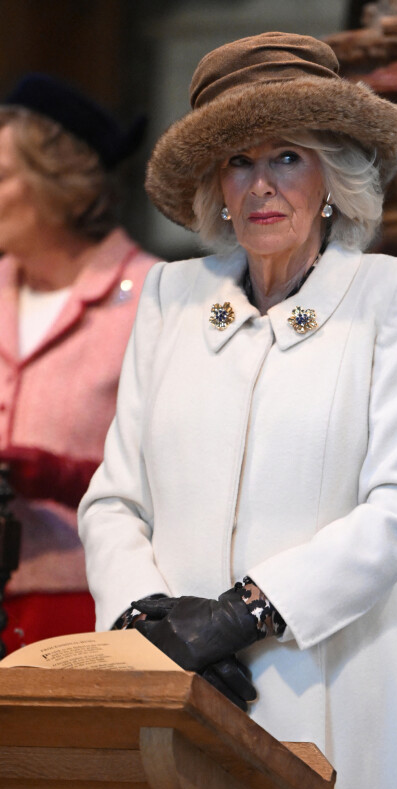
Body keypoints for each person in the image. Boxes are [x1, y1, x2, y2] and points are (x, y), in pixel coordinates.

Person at [79, 33, 397, 789]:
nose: (261, 185)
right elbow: (115, 501)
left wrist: (240, 614)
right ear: (217, 185)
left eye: (287, 156)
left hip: (331, 680)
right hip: (173, 684)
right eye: (239, 161)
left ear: (332, 177)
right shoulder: (169, 298)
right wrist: (154, 622)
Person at [0, 73, 159, 652]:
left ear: (59, 184)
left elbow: (175, 478)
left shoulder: (152, 296)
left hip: (81, 607)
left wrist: (49, 472)